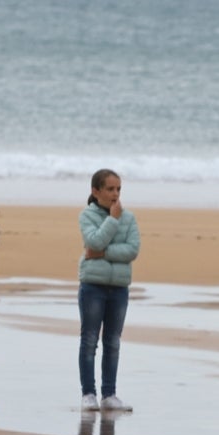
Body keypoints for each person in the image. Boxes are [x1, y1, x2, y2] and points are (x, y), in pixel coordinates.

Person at [78, 169, 140, 412]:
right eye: (110, 189)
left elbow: (132, 250)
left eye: (119, 189)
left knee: (113, 342)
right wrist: (112, 220)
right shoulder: (87, 215)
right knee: (89, 340)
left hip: (119, 288)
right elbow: (93, 241)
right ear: (96, 191)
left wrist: (103, 253)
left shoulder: (130, 218)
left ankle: (109, 394)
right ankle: (89, 394)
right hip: (93, 286)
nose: (116, 194)